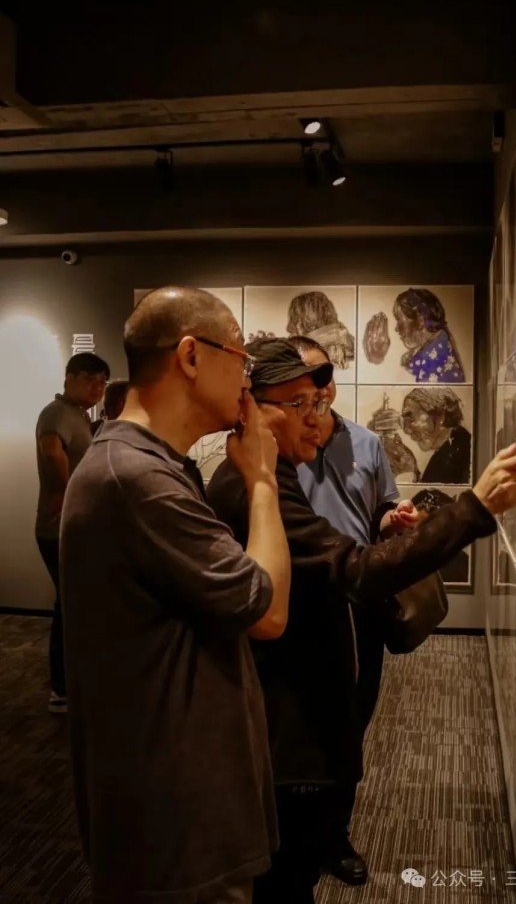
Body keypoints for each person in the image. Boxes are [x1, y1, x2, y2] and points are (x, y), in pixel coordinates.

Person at [206, 336, 516, 904]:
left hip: (302, 704)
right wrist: (475, 509)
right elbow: (353, 569)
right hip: (283, 728)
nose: (316, 422)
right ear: (250, 410)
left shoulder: (277, 477)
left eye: (318, 404)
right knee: (283, 876)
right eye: (298, 406)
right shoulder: (250, 487)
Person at [59, 286, 292, 904]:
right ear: (191, 357)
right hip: (176, 829)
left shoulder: (149, 465)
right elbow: (267, 611)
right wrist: (263, 480)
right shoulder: (135, 478)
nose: (247, 380)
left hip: (182, 808)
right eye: (239, 359)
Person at [289, 335, 418, 886]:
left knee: (351, 723)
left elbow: (381, 509)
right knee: (296, 724)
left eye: (323, 378)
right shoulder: (270, 448)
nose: (317, 391)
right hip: (294, 606)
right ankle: (292, 834)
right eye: (303, 383)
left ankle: (333, 835)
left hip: (356, 602)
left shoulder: (366, 443)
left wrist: (393, 520)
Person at [35, 350, 110, 714]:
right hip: (57, 526)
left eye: (102, 383)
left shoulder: (78, 416)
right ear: (70, 378)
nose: (98, 389)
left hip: (72, 524)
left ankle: (74, 680)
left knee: (75, 603)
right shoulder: (55, 414)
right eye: (91, 381)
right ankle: (61, 690)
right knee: (67, 606)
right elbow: (51, 453)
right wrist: (68, 493)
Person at [401, 386, 472, 484]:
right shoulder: (453, 447)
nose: (406, 430)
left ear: (440, 415)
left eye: (411, 419)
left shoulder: (460, 452)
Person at [393, 288, 465, 383]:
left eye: (399, 320)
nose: (396, 328)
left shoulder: (434, 361)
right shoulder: (433, 353)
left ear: (420, 321)